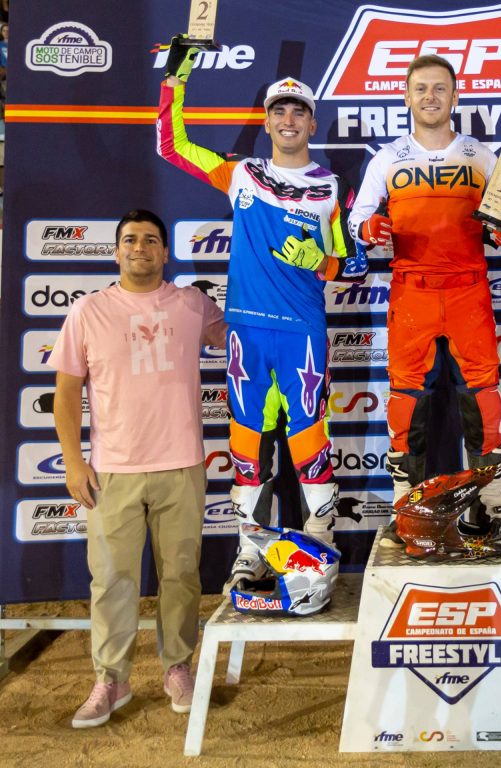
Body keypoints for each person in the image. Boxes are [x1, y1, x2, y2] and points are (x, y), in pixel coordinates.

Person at [157, 39, 366, 590]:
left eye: (299, 111)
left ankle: (320, 542)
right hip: (247, 330)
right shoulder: (241, 174)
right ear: (268, 122)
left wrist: (321, 261)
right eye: (279, 111)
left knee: (311, 442)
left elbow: (355, 264)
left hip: (302, 333)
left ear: (312, 124)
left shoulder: (332, 187)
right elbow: (172, 146)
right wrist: (175, 80)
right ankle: (250, 551)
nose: (289, 119)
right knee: (247, 447)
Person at [50, 210, 227, 728]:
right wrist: (73, 461)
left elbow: (243, 336)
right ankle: (112, 680)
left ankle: (178, 668)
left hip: (181, 466)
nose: (140, 248)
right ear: (116, 251)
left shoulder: (193, 304)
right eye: (130, 240)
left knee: (182, 576)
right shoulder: (88, 311)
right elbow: (65, 393)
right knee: (111, 580)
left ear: (165, 252)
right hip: (112, 472)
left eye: (151, 240)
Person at [348, 54, 501, 543]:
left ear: (455, 96)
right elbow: (358, 215)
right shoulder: (387, 157)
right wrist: (369, 227)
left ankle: (487, 511)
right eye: (421, 88)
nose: (430, 96)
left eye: (439, 88)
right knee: (406, 400)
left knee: (483, 397)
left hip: (468, 287)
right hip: (413, 290)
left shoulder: (479, 154)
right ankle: (407, 511)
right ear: (407, 97)